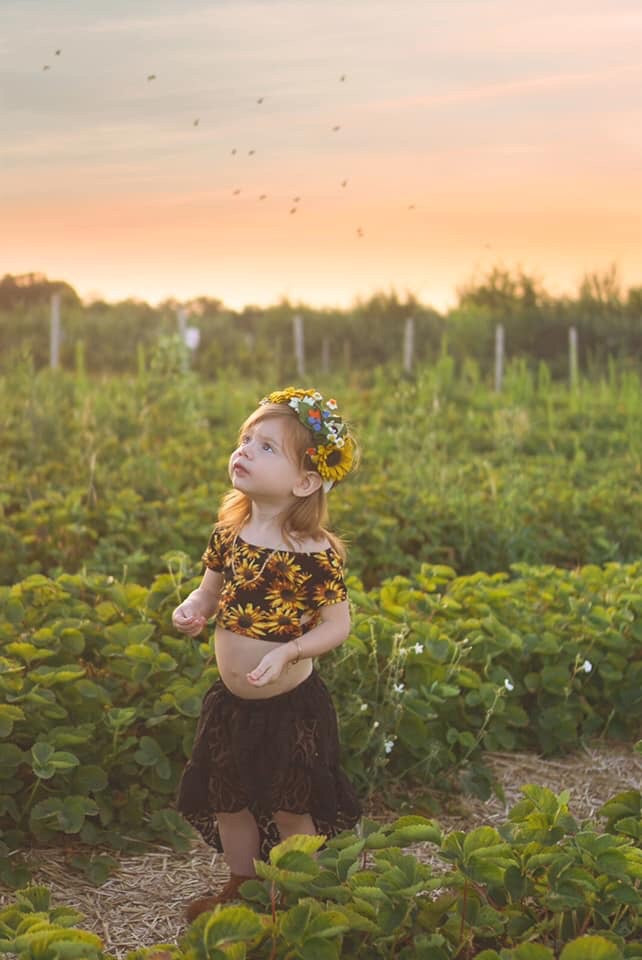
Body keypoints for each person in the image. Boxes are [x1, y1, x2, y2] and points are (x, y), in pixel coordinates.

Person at [172, 387, 362, 921]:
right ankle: (242, 885)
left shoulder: (313, 553)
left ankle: (298, 895)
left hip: (289, 706)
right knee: (229, 797)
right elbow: (206, 596)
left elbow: (337, 625)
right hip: (232, 704)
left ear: (305, 481)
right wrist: (189, 612)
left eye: (266, 447)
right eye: (245, 439)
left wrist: (289, 654)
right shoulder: (230, 535)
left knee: (290, 804)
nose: (246, 450)